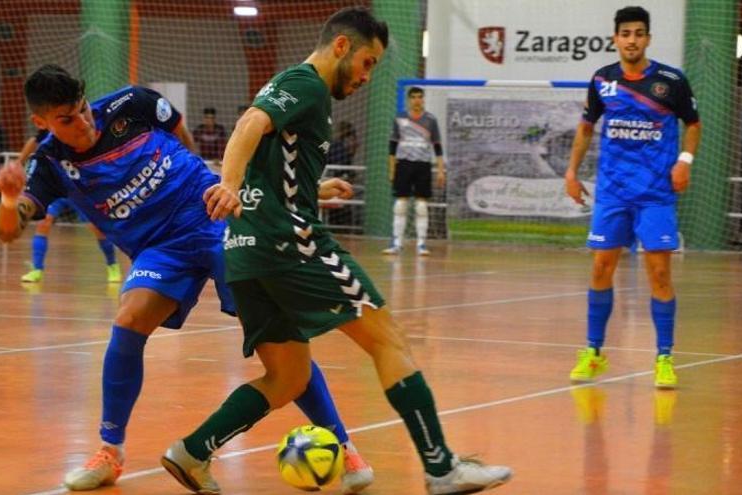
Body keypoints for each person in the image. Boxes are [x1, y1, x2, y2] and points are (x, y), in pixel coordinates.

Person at [170, 7, 512, 495]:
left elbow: (274, 158)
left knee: (287, 378)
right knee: (388, 340)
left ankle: (192, 451)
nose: (368, 76)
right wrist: (228, 181)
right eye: (369, 62)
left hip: (246, 254)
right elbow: (250, 122)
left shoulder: (306, 97)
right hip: (290, 245)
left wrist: (314, 187)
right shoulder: (306, 82)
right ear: (341, 47)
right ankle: (442, 468)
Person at [0, 64, 373, 493]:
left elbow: (182, 135)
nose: (83, 122)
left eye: (82, 109)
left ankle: (345, 448)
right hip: (161, 249)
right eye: (67, 119)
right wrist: (9, 199)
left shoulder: (131, 104)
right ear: (40, 122)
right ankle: (110, 452)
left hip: (211, 218)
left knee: (280, 340)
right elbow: (10, 230)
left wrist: (214, 181)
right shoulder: (50, 163)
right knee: (129, 319)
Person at [564, 6, 701, 388]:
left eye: (639, 33)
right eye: (625, 33)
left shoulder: (671, 80)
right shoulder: (603, 80)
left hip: (656, 194)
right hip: (613, 193)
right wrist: (572, 172)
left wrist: (684, 161)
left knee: (659, 274)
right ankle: (593, 353)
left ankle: (664, 358)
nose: (632, 40)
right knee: (600, 269)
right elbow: (586, 128)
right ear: (615, 38)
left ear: (648, 39)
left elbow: (693, 124)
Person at [382, 86, 445, 256]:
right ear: (409, 99)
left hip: (423, 165)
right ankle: (396, 243)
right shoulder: (400, 118)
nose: (417, 100)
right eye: (414, 97)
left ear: (423, 99)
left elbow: (437, 146)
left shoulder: (431, 120)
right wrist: (391, 169)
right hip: (403, 164)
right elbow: (392, 146)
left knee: (421, 206)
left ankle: (421, 244)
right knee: (401, 205)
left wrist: (440, 170)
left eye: (420, 97)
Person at [20, 197, 122, 284]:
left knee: (96, 228)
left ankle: (112, 265)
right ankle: (36, 269)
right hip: (57, 192)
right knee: (43, 223)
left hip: (78, 192)